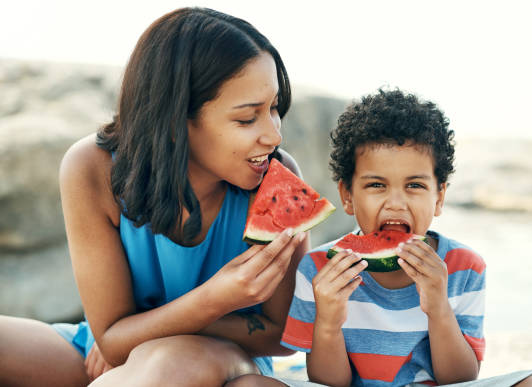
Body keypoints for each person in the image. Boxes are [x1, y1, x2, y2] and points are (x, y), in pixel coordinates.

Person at [0, 7, 310, 387]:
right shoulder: (91, 169)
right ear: (176, 120)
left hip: (221, 354)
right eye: (248, 118)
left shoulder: (279, 181)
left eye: (274, 108)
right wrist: (206, 301)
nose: (274, 135)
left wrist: (156, 328)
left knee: (168, 362)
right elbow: (110, 341)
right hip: (103, 353)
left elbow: (280, 336)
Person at [279, 89, 532, 386]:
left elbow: (460, 379)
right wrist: (328, 323)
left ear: (439, 197)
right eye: (377, 185)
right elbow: (328, 384)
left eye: (415, 185)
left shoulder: (464, 267)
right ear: (347, 196)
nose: (396, 202)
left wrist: (438, 308)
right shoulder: (320, 270)